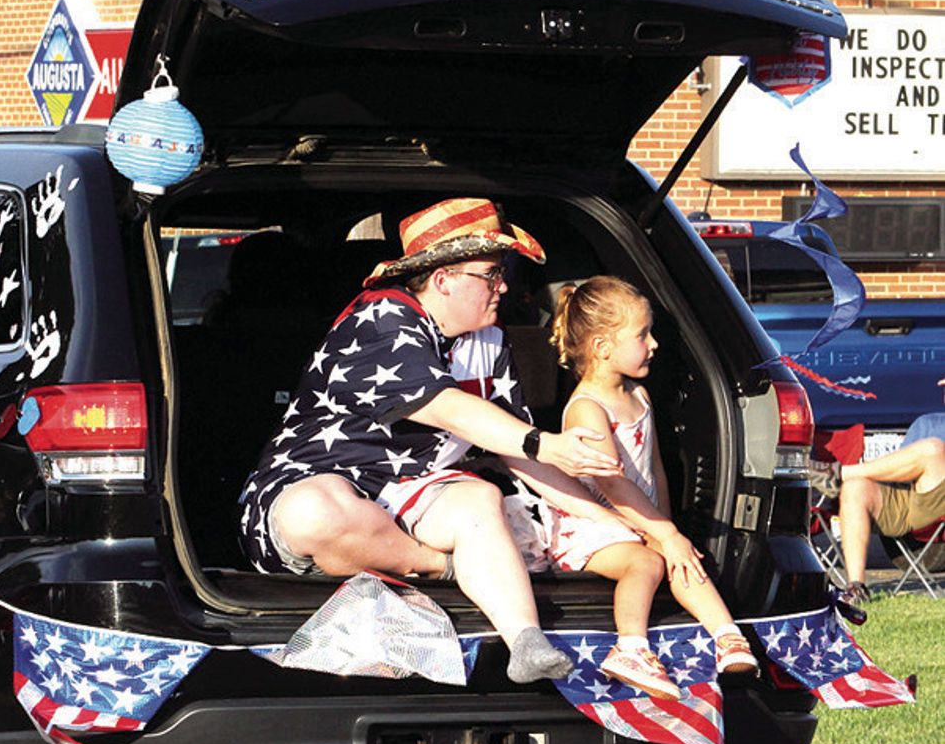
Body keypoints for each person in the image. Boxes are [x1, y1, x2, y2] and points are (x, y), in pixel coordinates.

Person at [239, 197, 630, 685]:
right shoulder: (381, 318)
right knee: (316, 512)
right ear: (444, 278)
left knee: (480, 496)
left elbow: (512, 447)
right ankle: (440, 567)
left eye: (502, 273)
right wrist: (544, 443)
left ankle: (527, 642)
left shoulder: (490, 341)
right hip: (313, 491)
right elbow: (446, 407)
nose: (503, 286)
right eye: (490, 274)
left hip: (408, 494)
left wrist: (612, 520)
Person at [546, 274, 759, 692]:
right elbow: (614, 487)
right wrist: (663, 534)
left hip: (638, 519)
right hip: (592, 526)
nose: (654, 344)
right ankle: (630, 648)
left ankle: (727, 636)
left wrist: (665, 527)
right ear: (602, 348)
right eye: (642, 335)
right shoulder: (587, 410)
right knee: (650, 561)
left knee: (683, 555)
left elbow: (654, 468)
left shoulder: (639, 397)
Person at [809, 385, 945, 623]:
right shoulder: (927, 423)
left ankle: (839, 473)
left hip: (940, 534)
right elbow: (901, 478)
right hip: (912, 529)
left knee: (934, 449)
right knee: (856, 487)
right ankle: (856, 587)